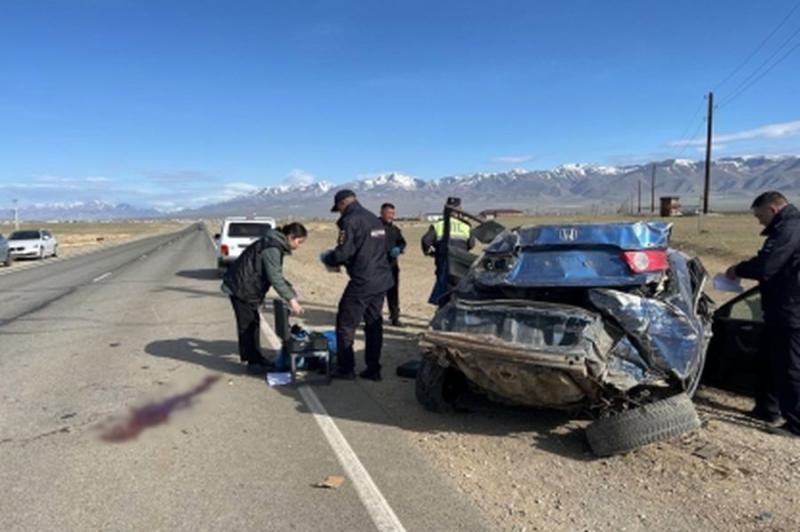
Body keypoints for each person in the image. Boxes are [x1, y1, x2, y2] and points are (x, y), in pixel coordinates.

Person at [725, 191, 800, 437]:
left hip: (791, 310)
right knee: (768, 360)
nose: (759, 222)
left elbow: (767, 265)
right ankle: (767, 408)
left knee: (790, 365)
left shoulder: (789, 229)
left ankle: (796, 423)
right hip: (779, 308)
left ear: (773, 209)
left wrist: (739, 269)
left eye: (760, 216)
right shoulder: (787, 227)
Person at [321, 190, 394, 381]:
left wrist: (329, 257)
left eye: (338, 209)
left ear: (342, 204)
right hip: (382, 278)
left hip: (363, 280)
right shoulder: (373, 218)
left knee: (345, 323)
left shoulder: (350, 220)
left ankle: (346, 368)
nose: (339, 213)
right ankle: (373, 368)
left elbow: (344, 252)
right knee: (373, 323)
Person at [222, 223, 307, 373]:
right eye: (299, 242)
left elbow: (274, 273)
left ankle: (256, 358)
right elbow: (274, 277)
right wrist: (292, 300)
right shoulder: (272, 248)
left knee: (253, 323)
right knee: (247, 326)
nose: (299, 246)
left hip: (246, 287)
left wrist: (290, 291)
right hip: (242, 288)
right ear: (290, 237)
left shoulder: (273, 244)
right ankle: (253, 363)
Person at [421, 197, 475, 306]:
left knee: (443, 290)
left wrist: (431, 252)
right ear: (459, 209)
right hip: (461, 262)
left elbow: (426, 240)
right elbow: (471, 244)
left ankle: (443, 313)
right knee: (460, 290)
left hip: (444, 262)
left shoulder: (438, 225)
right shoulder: (465, 226)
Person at [380, 202, 407, 326]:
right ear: (382, 212)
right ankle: (374, 317)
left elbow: (402, 242)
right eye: (389, 213)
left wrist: (399, 249)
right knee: (376, 293)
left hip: (392, 266)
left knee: (393, 292)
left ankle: (395, 317)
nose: (392, 216)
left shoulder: (395, 229)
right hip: (377, 266)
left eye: (393, 213)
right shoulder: (374, 227)